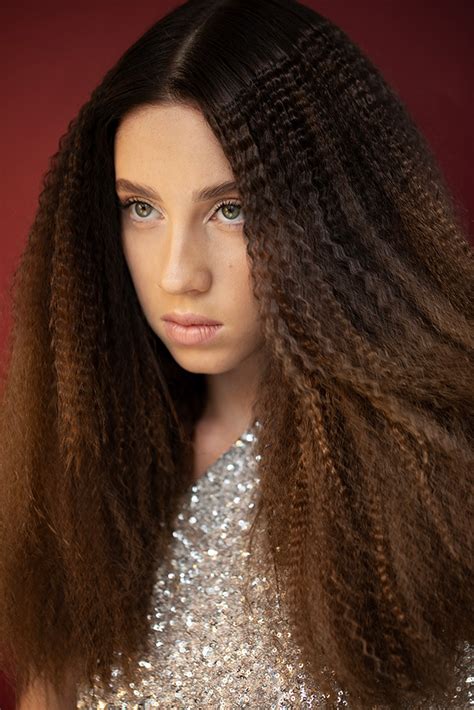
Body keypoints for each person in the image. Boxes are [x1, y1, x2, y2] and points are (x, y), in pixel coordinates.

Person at [1, 0, 472, 707]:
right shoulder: (79, 457)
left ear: (337, 218)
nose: (177, 274)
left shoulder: (440, 477)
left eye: (232, 209)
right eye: (141, 207)